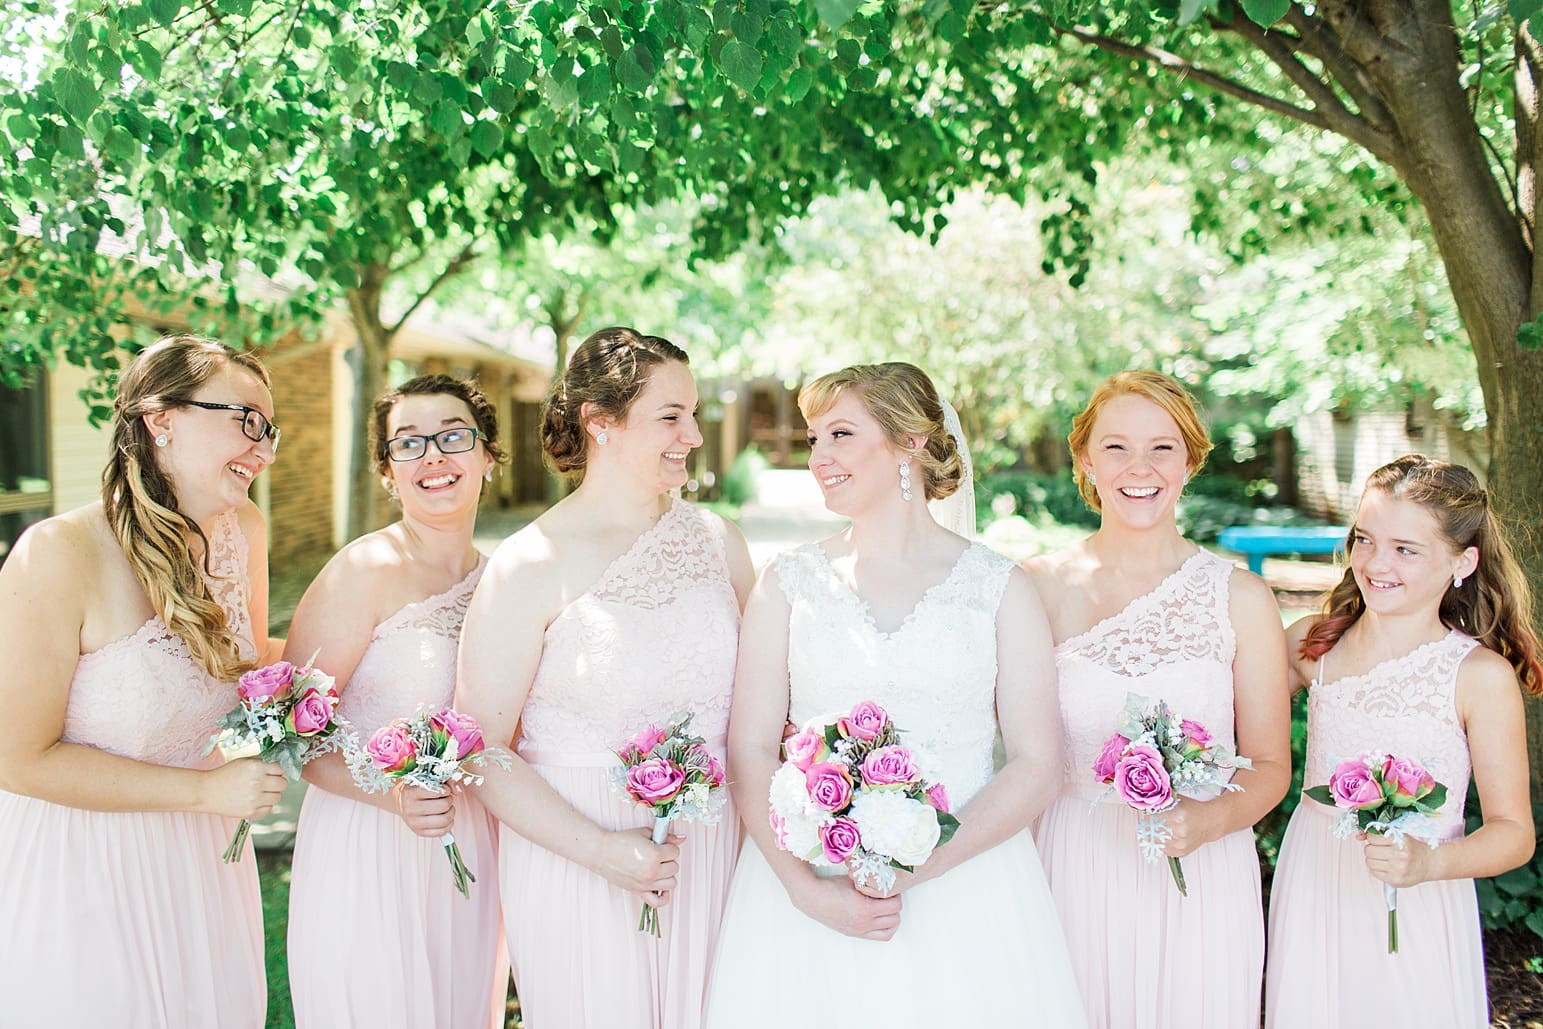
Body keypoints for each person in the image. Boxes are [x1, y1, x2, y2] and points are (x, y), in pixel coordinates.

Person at [702, 362, 1087, 1027]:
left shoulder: (998, 587)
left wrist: (917, 866)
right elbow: (749, 747)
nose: (817, 457)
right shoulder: (787, 584)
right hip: (806, 889)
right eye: (813, 437)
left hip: (969, 887)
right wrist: (807, 891)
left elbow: (1035, 762)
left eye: (840, 434)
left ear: (909, 440)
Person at [457, 327, 754, 1029]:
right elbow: (478, 747)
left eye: (693, 414)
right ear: (601, 423)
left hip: (709, 851)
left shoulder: (719, 544)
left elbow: (763, 705)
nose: (692, 433)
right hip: (576, 855)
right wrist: (600, 849)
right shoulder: (529, 564)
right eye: (670, 415)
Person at [0, 335, 287, 1027]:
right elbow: (16, 758)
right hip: (85, 867)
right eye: (246, 420)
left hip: (201, 862)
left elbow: (243, 670)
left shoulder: (241, 530)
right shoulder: (58, 553)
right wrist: (206, 790)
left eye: (270, 428)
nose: (265, 447)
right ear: (161, 418)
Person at [1023, 369, 1290, 1028]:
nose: (1138, 466)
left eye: (1161, 447)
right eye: (1115, 446)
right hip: (1072, 865)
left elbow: (1269, 766)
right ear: (1084, 460)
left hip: (1200, 866)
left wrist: (1208, 822)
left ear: (1191, 460)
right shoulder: (1035, 586)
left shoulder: (1240, 597)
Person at [1265, 455, 1540, 1028]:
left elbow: (1513, 835)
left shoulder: (1477, 676)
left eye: (1405, 549)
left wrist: (1429, 860)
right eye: (1364, 539)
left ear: (1463, 562)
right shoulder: (1311, 648)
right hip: (1316, 884)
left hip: (1418, 897)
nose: (1375, 563)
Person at [285, 375, 510, 1027]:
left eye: (452, 436)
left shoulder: (501, 580)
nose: (433, 456)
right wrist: (392, 793)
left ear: (488, 455)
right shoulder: (363, 570)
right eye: (409, 443)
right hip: (368, 841)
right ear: (387, 471)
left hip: (470, 838)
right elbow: (291, 733)